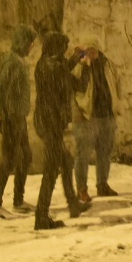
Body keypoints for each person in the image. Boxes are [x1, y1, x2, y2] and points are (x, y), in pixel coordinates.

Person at [32, 31, 87, 230]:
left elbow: (64, 69)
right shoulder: (50, 67)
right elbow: (66, 75)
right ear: (56, 49)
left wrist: (77, 58)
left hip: (48, 122)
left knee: (65, 161)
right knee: (51, 170)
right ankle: (41, 217)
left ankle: (73, 205)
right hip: (50, 124)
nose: (64, 53)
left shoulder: (47, 64)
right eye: (63, 49)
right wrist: (79, 61)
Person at [0, 24, 36, 217]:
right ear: (23, 43)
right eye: (30, 43)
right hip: (12, 118)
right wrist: (2, 114)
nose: (31, 47)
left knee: (25, 157)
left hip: (18, 117)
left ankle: (18, 200)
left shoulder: (16, 61)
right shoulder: (12, 63)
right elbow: (0, 89)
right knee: (9, 161)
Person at [70, 36, 120, 200]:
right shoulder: (80, 67)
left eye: (94, 50)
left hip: (106, 114)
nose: (91, 53)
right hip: (86, 116)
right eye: (88, 50)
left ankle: (102, 185)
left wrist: (116, 104)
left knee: (105, 152)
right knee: (83, 154)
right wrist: (83, 65)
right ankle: (81, 189)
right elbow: (75, 86)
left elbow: (117, 83)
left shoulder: (108, 64)